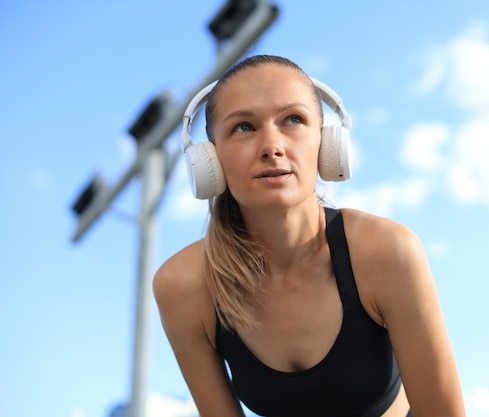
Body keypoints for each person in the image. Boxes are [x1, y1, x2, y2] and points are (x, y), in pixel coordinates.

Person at [153, 54, 466, 417]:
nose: (272, 146)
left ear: (327, 143)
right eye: (243, 127)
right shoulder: (183, 287)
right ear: (209, 160)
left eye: (293, 120)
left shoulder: (386, 251)